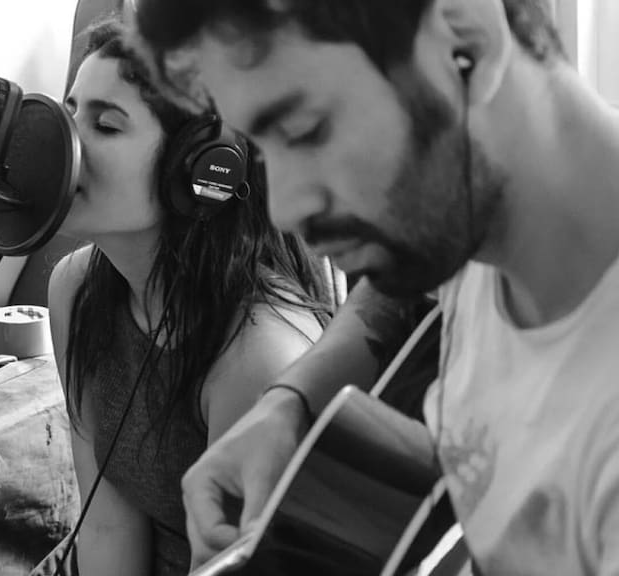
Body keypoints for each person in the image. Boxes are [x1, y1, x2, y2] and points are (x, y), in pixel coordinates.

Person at [135, 0, 619, 573]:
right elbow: (397, 287)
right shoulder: (468, 215)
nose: (284, 209)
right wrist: (290, 405)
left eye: (305, 131)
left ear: (466, 39)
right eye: (262, 152)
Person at [42, 15, 343, 576]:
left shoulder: (257, 357)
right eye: (70, 111)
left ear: (200, 172)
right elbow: (106, 526)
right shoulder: (75, 287)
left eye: (104, 126)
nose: (66, 143)